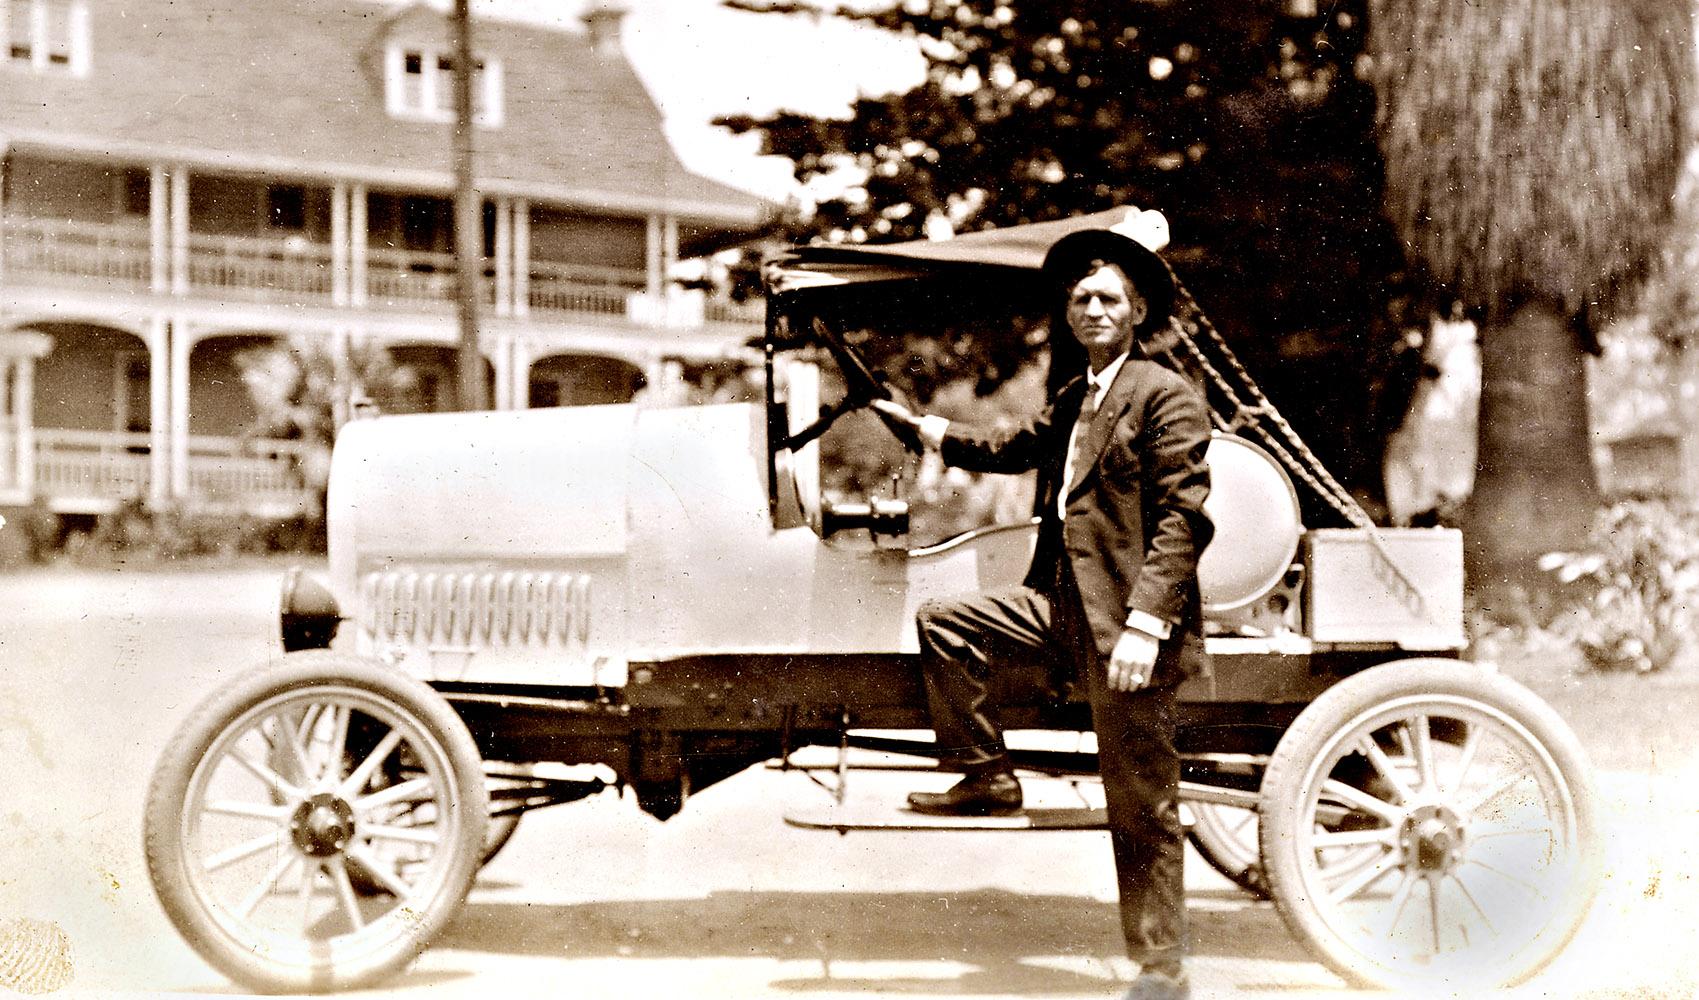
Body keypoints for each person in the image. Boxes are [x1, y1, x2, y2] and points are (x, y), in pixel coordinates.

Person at [870, 225, 1213, 1000]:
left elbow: (1182, 520)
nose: (1090, 309)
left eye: (1107, 299)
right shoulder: (1079, 396)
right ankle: (985, 777)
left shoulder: (1164, 394)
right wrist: (924, 430)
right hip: (1061, 606)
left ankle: (1164, 970)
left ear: (1135, 311)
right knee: (947, 621)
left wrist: (1146, 625)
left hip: (1127, 625)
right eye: (1079, 298)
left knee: (1141, 801)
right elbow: (1008, 447)